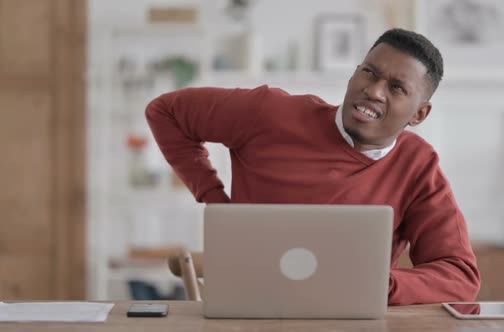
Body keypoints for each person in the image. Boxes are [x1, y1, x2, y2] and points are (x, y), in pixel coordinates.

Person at [146, 28, 481, 305]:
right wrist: (218, 204)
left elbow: (459, 276)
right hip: (249, 313)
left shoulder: (418, 166)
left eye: (397, 88)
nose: (374, 91)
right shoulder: (268, 113)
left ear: (419, 114)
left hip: (351, 321)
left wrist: (381, 285)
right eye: (369, 72)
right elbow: (166, 112)